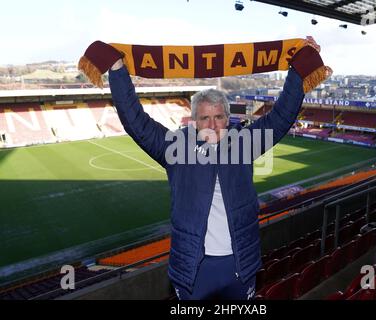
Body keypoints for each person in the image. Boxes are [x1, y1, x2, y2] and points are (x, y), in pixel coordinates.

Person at [85, 37, 324, 299]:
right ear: (194, 121)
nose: (212, 124)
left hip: (239, 265)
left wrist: (297, 69)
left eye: (219, 116)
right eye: (205, 117)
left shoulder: (244, 144)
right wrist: (118, 71)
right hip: (193, 269)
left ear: (228, 118)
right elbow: (135, 121)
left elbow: (281, 117)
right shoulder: (175, 149)